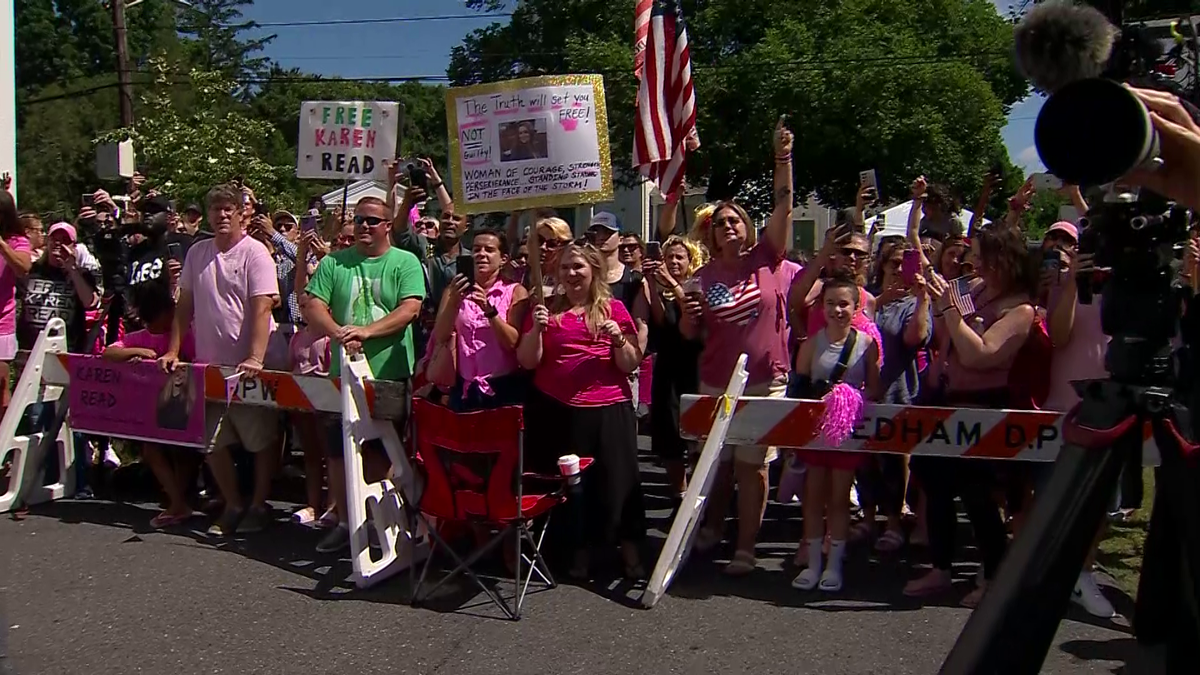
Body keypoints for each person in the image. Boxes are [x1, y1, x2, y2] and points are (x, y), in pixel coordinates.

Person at [681, 117, 797, 576]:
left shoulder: (767, 257)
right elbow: (692, 336)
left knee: (754, 467)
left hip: (766, 383)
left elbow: (785, 206)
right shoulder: (701, 279)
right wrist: (689, 319)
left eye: (735, 220)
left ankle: (745, 546)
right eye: (720, 224)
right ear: (709, 237)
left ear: (747, 228)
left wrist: (783, 157)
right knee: (715, 464)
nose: (728, 226)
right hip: (715, 381)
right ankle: (709, 528)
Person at [906, 226, 1036, 607]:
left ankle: (995, 577)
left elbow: (981, 353)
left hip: (985, 407)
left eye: (980, 254)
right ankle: (941, 567)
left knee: (978, 494)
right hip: (948, 399)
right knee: (934, 478)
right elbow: (952, 330)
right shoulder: (976, 289)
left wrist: (951, 312)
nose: (972, 261)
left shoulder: (1020, 310)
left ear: (1004, 259)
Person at [159, 183, 282, 537]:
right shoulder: (197, 252)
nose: (222, 215)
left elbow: (262, 305)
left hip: (248, 365)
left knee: (260, 440)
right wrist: (173, 350)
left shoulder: (256, 253)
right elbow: (184, 305)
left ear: (242, 213)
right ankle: (233, 503)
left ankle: (258, 505)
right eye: (216, 209)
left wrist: (255, 357)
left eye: (229, 208)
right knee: (211, 441)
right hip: (208, 366)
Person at [304, 195, 426, 553]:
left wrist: (367, 332)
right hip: (341, 373)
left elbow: (410, 308)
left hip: (388, 371)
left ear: (388, 225)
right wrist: (339, 332)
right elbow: (313, 304)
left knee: (381, 454)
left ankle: (387, 524)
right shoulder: (334, 263)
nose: (363, 226)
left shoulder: (405, 262)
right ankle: (345, 522)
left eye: (372, 220)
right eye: (358, 220)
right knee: (338, 452)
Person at [517, 241, 646, 579]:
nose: (571, 274)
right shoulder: (546, 309)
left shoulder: (614, 308)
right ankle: (577, 554)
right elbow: (527, 360)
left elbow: (631, 362)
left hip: (608, 408)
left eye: (578, 267)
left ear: (594, 271)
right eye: (564, 268)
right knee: (571, 490)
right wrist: (537, 329)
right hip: (558, 410)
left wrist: (619, 339)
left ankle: (631, 553)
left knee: (618, 484)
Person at [789, 272, 881, 592]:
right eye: (830, 304)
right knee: (814, 498)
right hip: (816, 430)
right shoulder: (812, 344)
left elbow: (875, 389)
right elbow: (798, 388)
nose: (837, 310)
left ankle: (834, 565)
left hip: (847, 431)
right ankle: (813, 563)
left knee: (839, 499)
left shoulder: (867, 345)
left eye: (844, 304)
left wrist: (850, 400)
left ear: (856, 307)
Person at [103, 282, 198, 529]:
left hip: (180, 408)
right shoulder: (139, 338)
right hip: (149, 413)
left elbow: (194, 361)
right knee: (151, 451)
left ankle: (180, 498)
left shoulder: (184, 336)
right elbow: (108, 353)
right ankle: (176, 501)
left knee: (183, 452)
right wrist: (137, 353)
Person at [430, 227, 529, 411]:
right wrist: (453, 302)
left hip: (502, 387)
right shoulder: (453, 291)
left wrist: (489, 311)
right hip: (464, 387)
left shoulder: (515, 291)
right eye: (476, 249)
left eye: (489, 250)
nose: (481, 254)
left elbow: (512, 342)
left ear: (503, 259)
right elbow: (441, 337)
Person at [643, 235, 704, 496]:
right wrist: (650, 281)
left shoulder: (697, 286)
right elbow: (661, 319)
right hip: (668, 368)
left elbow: (692, 318)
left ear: (690, 260)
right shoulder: (660, 290)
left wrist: (674, 285)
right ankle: (680, 494)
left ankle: (699, 493)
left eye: (680, 257)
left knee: (698, 437)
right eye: (669, 257)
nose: (674, 262)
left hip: (696, 367)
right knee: (669, 435)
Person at [0, 192, 32, 420]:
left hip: (2, 323)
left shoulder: (17, 242)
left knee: (0, 383)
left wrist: (1, 245)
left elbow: (23, 268)